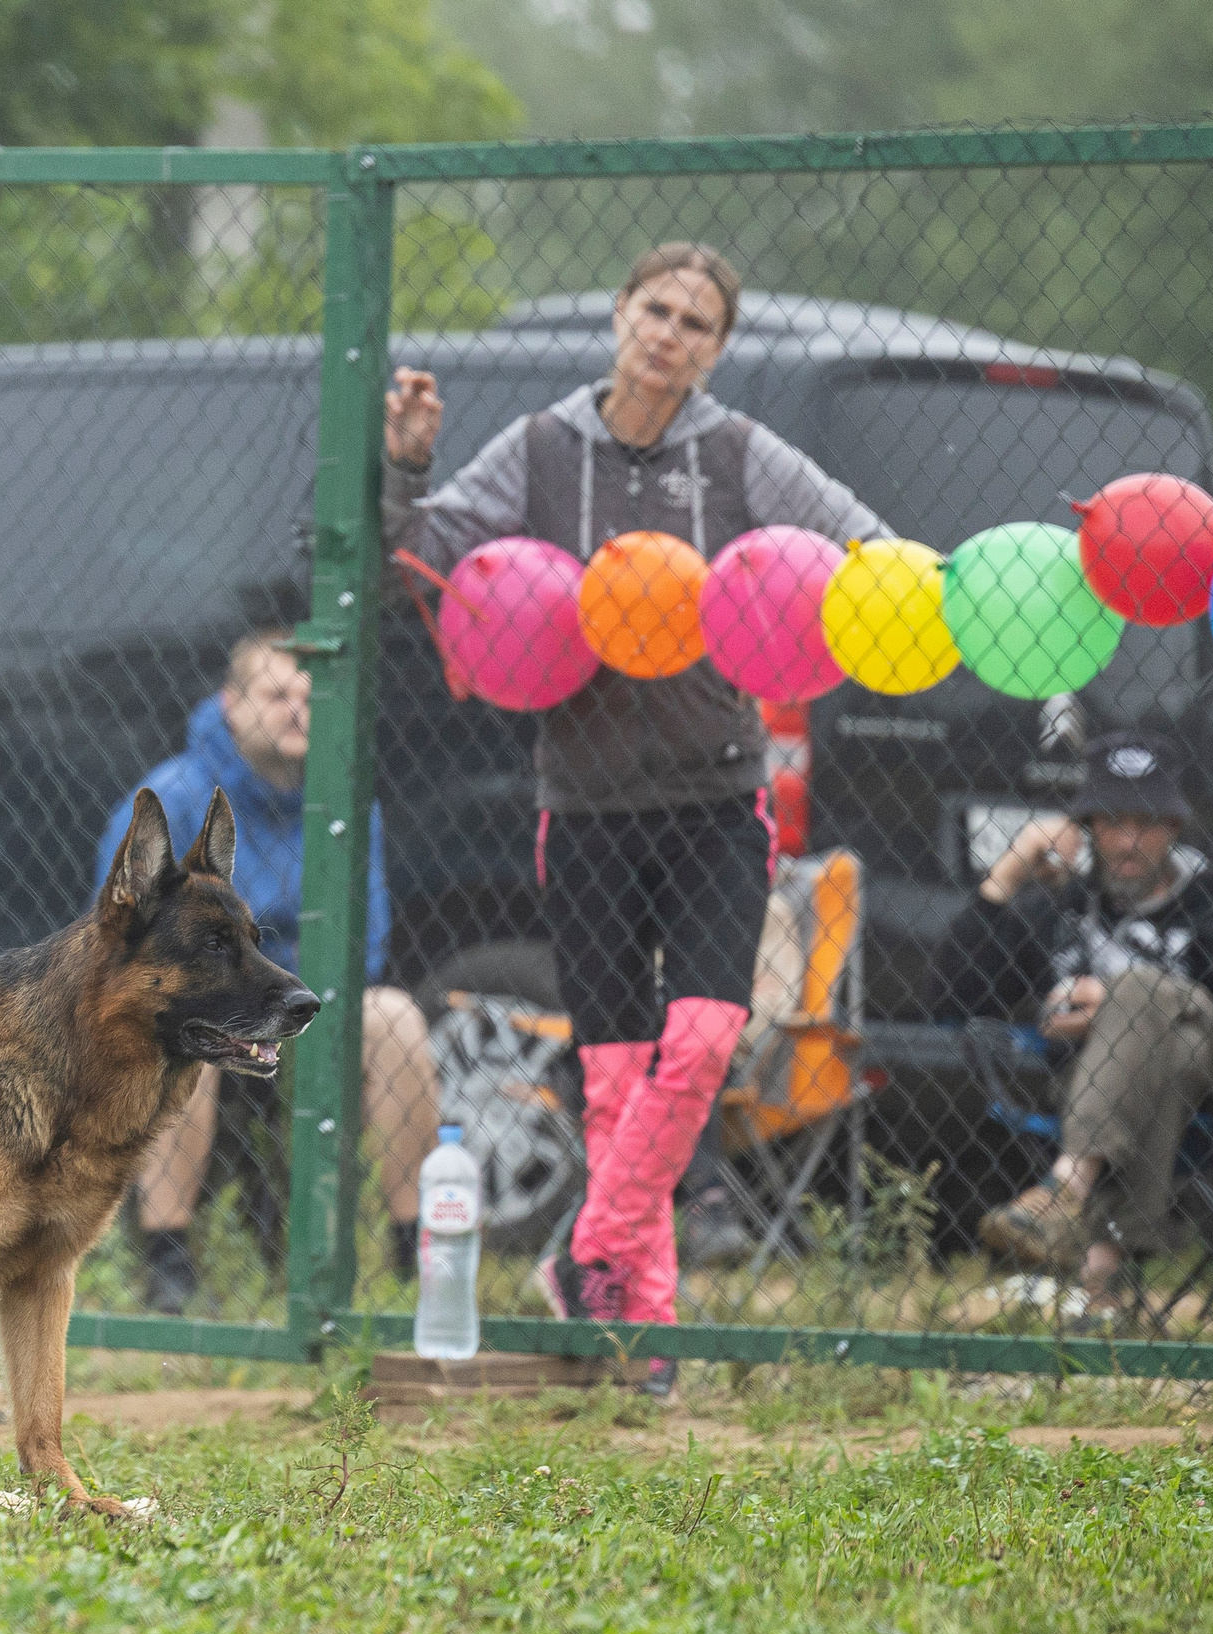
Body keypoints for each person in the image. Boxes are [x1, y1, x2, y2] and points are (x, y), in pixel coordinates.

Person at [381, 240, 887, 1392]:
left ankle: (585, 1248)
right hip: (589, 806)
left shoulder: (740, 453)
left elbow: (861, 542)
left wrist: (919, 582)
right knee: (614, 1082)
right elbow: (424, 555)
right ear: (618, 315)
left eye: (695, 324)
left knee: (703, 1040)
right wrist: (406, 466)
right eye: (654, 309)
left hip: (715, 797)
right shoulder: (542, 449)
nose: (669, 334)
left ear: (716, 348)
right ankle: (642, 1342)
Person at [96, 629, 439, 1313]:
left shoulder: (346, 800)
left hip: (304, 997)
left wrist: (279, 996)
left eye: (310, 698)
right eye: (277, 694)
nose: (296, 712)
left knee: (397, 1016)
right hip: (206, 1003)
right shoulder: (176, 793)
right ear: (231, 703)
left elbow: (363, 940)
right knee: (184, 1028)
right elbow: (122, 943)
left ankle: (414, 1253)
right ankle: (169, 1261)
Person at [935, 730, 1213, 1314]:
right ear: (1087, 827)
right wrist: (1010, 872)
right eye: (1112, 822)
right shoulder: (1064, 906)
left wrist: (1126, 1004)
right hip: (1109, 1091)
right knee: (1164, 1058)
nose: (1130, 840)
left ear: (1174, 827)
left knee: (1143, 993)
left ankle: (1065, 1190)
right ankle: (1100, 1282)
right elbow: (953, 994)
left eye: (1148, 823)